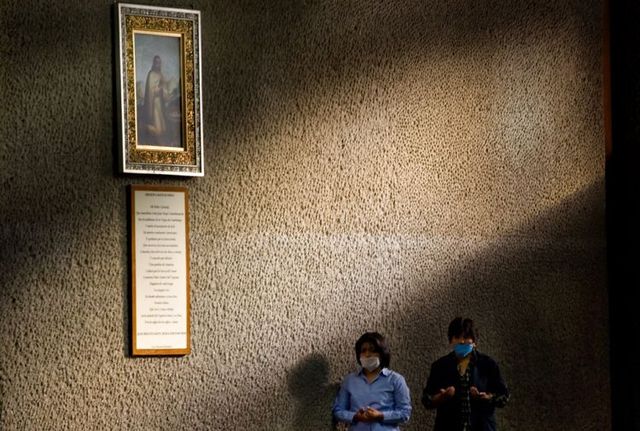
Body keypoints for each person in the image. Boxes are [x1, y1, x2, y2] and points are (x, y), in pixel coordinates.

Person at [422, 317, 509, 431]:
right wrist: (441, 397)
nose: (462, 341)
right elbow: (426, 399)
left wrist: (488, 397)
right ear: (451, 340)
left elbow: (504, 396)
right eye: (457, 337)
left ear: (474, 342)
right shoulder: (440, 366)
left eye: (466, 337)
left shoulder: (488, 364)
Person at [333, 332, 412, 430]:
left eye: (372, 350)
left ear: (381, 353)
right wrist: (355, 416)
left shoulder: (396, 380)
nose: (367, 354)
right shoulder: (349, 381)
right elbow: (338, 411)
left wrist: (381, 416)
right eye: (363, 350)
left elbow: (405, 413)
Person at [141, 55, 167, 145]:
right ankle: (152, 135)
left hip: (160, 103)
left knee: (162, 126)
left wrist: (162, 89)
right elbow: (151, 91)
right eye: (156, 62)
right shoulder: (151, 74)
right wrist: (159, 88)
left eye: (159, 63)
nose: (158, 64)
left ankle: (159, 140)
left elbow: (164, 87)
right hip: (153, 103)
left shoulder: (160, 74)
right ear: (154, 63)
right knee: (157, 127)